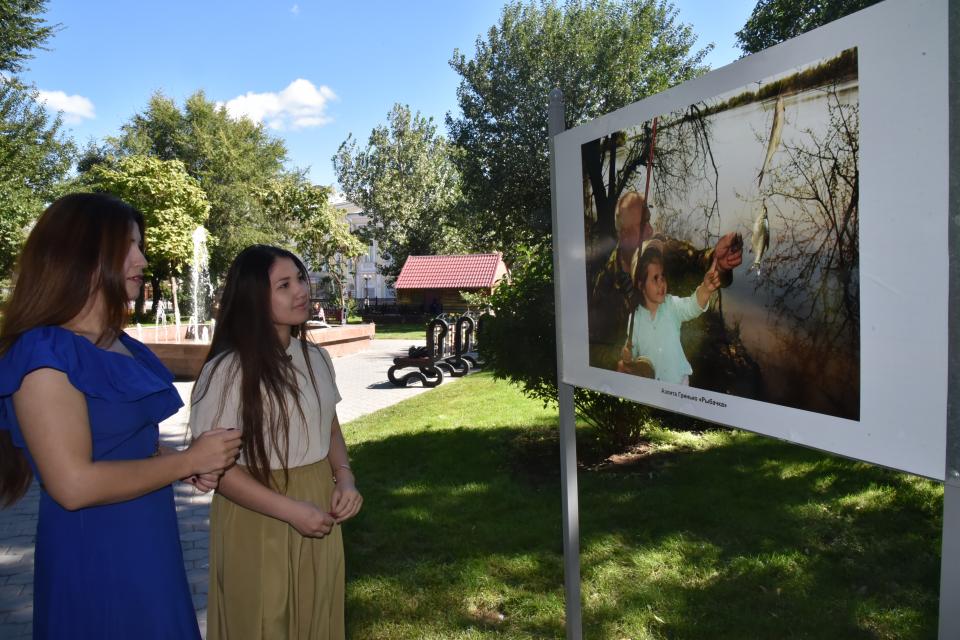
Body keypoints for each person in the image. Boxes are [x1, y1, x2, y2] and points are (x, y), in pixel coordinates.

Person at [0, 192, 242, 639]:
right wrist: (188, 462)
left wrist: (183, 458)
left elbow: (121, 440)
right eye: (128, 246)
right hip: (96, 551)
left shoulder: (119, 343)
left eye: (139, 244)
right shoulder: (45, 352)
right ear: (80, 254)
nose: (142, 259)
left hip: (149, 540)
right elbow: (72, 485)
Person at [189, 245, 363, 640]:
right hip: (258, 512)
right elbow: (218, 471)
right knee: (263, 620)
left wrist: (344, 477)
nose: (301, 290)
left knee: (317, 613)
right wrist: (289, 510)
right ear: (253, 298)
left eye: (300, 278)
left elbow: (329, 427)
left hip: (317, 502)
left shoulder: (316, 358)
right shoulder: (227, 372)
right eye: (284, 285)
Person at [589, 191, 743, 370]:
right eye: (642, 225)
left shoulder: (663, 249)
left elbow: (698, 261)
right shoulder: (606, 283)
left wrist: (718, 262)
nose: (650, 230)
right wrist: (617, 363)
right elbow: (594, 347)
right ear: (624, 235)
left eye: (649, 221)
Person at [620, 244, 721, 384]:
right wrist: (627, 356)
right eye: (655, 278)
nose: (662, 284)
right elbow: (632, 351)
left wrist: (706, 289)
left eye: (662, 277)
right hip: (654, 388)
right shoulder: (634, 319)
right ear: (640, 285)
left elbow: (692, 306)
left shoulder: (671, 305)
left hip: (679, 383)